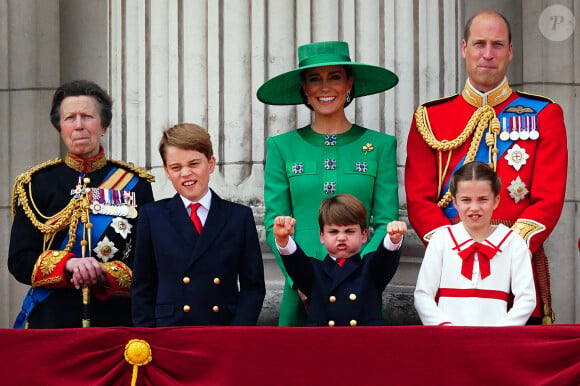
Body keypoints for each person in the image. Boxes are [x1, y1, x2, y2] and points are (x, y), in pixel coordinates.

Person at [405, 10, 567, 324]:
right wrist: (454, 248)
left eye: (497, 44)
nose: (488, 54)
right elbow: (419, 199)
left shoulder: (544, 114)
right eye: (480, 44)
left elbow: (548, 200)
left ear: (510, 51)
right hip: (449, 273)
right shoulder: (430, 118)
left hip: (515, 271)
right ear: (464, 48)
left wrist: (506, 249)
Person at [258, 40, 400, 326]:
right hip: (300, 291)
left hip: (360, 294)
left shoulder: (381, 146)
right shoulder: (281, 147)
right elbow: (276, 221)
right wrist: (299, 278)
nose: (325, 88)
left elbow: (386, 221)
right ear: (304, 88)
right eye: (315, 79)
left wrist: (362, 276)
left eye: (335, 77)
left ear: (350, 84)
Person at [8, 80, 155, 328]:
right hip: (52, 322)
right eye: (70, 118)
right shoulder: (36, 184)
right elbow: (20, 260)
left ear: (104, 125)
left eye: (87, 116)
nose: (78, 126)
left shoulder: (135, 183)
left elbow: (148, 260)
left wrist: (103, 273)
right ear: (59, 127)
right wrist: (68, 264)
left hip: (115, 323)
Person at [132, 123, 265, 327]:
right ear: (167, 171)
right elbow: (143, 286)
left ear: (211, 164)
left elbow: (253, 287)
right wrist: (147, 337)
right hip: (169, 331)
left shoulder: (239, 217)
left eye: (194, 164)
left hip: (222, 329)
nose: (185, 173)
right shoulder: (152, 216)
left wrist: (238, 332)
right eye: (176, 167)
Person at [414, 162, 536, 326]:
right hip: (447, 339)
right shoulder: (441, 239)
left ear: (496, 201)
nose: (474, 207)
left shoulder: (513, 242)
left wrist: (500, 332)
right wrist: (443, 327)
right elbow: (422, 294)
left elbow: (526, 299)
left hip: (495, 342)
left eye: (483, 199)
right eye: (466, 200)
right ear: (455, 202)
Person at [274, 193, 406, 326]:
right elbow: (296, 262)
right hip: (324, 342)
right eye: (333, 232)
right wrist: (283, 240)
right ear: (321, 236)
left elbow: (385, 259)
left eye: (349, 231)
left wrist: (393, 239)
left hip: (364, 342)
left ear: (363, 235)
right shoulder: (314, 270)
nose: (341, 237)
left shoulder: (370, 267)